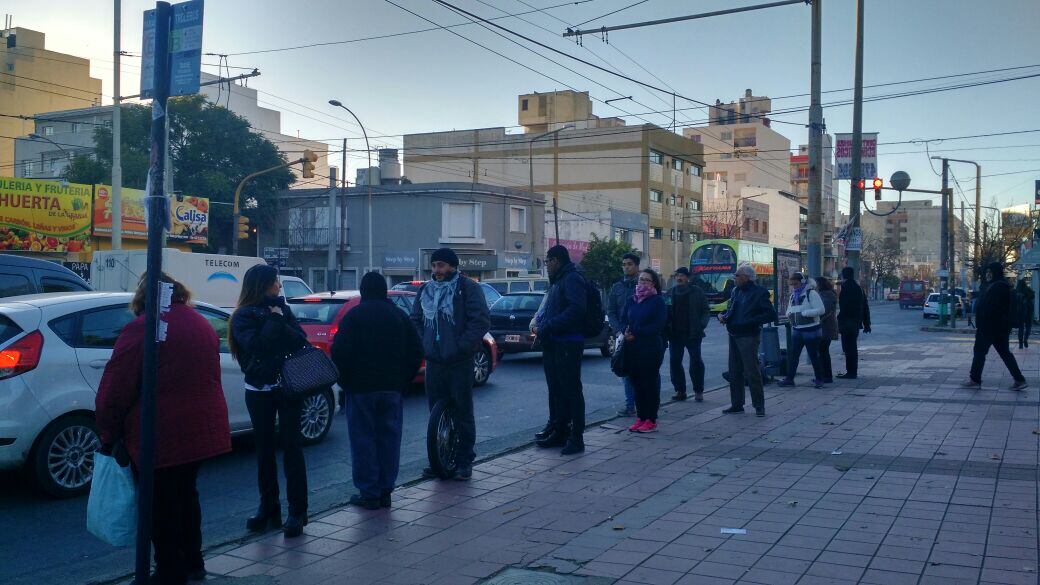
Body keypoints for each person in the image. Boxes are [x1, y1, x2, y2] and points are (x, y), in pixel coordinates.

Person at [96, 273, 231, 585]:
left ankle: (170, 572)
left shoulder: (141, 329)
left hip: (160, 434)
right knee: (185, 495)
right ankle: (194, 563)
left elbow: (115, 388)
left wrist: (107, 433)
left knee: (160, 506)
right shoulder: (199, 322)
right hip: (200, 429)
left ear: (143, 297)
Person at [229, 264, 310, 537]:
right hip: (258, 388)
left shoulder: (282, 308)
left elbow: (300, 340)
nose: (279, 286)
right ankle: (269, 507)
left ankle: (297, 511)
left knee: (292, 449)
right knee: (264, 451)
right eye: (275, 281)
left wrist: (277, 320)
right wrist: (275, 322)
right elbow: (256, 347)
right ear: (262, 284)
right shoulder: (242, 316)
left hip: (287, 386)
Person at [331, 272, 423, 510]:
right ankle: (385, 489)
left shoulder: (354, 317)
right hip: (392, 388)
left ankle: (368, 491)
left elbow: (339, 352)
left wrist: (346, 381)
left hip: (360, 390)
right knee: (389, 439)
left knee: (363, 440)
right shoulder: (398, 316)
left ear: (363, 290)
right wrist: (404, 380)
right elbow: (416, 350)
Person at [410, 248, 490, 479]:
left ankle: (464, 460)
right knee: (437, 413)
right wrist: (423, 344)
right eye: (434, 265)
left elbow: (480, 321)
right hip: (434, 361)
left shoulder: (468, 288)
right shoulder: (425, 290)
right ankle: (440, 459)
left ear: (453, 266)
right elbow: (415, 320)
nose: (437, 270)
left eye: (442, 265)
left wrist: (461, 346)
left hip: (460, 361)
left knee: (463, 411)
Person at [533, 245, 588, 455]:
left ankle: (576, 437)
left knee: (571, 391)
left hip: (568, 343)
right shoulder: (558, 280)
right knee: (556, 391)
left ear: (556, 260)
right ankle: (559, 431)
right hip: (553, 343)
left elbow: (576, 309)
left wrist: (548, 325)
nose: (546, 265)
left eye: (547, 261)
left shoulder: (572, 278)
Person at [718, 263, 777, 417]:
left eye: (736, 275)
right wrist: (724, 316)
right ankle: (737, 404)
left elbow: (770, 314)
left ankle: (759, 405)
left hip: (749, 336)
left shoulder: (760, 292)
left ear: (746, 277)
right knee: (734, 371)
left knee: (752, 371)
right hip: (734, 333)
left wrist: (749, 321)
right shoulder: (736, 291)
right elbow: (732, 309)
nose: (734, 278)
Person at [962, 262, 1028, 390]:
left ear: (996, 273)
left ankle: (975, 379)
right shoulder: (996, 285)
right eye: (987, 272)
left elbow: (991, 308)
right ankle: (1019, 380)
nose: (988, 275)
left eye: (990, 272)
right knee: (1004, 353)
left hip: (990, 328)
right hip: (997, 328)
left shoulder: (999, 287)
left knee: (980, 352)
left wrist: (983, 321)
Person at [622, 269, 668, 432]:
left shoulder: (657, 301)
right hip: (632, 348)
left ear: (653, 283)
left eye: (646, 280)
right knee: (636, 383)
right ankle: (641, 417)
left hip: (650, 347)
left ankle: (651, 419)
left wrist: (637, 333)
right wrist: (625, 332)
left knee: (649, 383)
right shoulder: (632, 300)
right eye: (640, 280)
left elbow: (658, 325)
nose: (642, 283)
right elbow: (623, 319)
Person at [666, 267, 710, 402]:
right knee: (674, 362)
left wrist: (701, 325)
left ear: (687, 278)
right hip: (675, 335)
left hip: (693, 334)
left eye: (682, 276)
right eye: (677, 275)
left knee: (696, 362)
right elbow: (666, 312)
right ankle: (680, 390)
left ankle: (698, 390)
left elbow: (705, 311)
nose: (679, 278)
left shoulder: (697, 292)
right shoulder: (670, 293)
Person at [778, 273, 826, 389]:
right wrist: (789, 314)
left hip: (811, 329)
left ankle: (819, 379)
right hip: (797, 329)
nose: (794, 286)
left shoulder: (811, 293)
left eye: (796, 283)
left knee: (813, 355)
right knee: (794, 356)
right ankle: (790, 378)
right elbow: (789, 308)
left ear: (803, 282)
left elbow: (821, 310)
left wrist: (804, 313)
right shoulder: (793, 295)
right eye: (792, 284)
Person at [607, 253, 640, 417]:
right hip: (622, 335)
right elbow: (611, 311)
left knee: (646, 372)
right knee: (625, 370)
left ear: (637, 266)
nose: (626, 267)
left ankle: (649, 404)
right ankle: (630, 406)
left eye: (630, 264)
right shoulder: (617, 287)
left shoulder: (644, 285)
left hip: (640, 335)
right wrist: (618, 331)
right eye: (624, 264)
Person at [836, 266, 871, 379]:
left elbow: (844, 307)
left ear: (843, 275)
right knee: (852, 348)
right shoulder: (858, 288)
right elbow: (865, 306)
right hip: (855, 322)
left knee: (848, 348)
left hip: (847, 322)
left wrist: (839, 318)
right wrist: (866, 324)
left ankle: (851, 372)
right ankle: (852, 371)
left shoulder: (845, 287)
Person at [815, 276, 839, 384]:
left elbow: (823, 311)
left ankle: (826, 376)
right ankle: (824, 375)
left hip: (825, 327)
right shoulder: (828, 294)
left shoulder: (826, 295)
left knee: (822, 352)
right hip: (826, 327)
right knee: (823, 351)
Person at [1014, 279, 1034, 349]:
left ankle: (1020, 344)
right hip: (1028, 311)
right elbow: (1033, 296)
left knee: (1021, 328)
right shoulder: (1028, 290)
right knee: (1028, 326)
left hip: (1020, 312)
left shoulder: (1017, 291)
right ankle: (1025, 339)